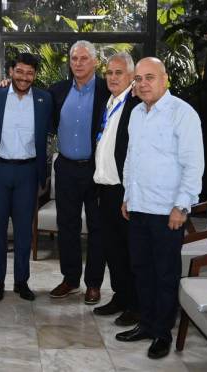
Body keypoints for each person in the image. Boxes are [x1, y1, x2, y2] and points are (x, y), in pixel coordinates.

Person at [116, 57, 204, 359]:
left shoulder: (183, 114)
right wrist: (128, 195)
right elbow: (131, 159)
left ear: (165, 79)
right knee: (141, 270)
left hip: (168, 212)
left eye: (149, 77)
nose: (143, 84)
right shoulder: (136, 114)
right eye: (138, 79)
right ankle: (147, 323)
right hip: (139, 206)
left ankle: (163, 333)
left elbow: (193, 165)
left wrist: (182, 206)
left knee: (165, 273)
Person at [0, 53, 52, 302]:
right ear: (10, 71)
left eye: (29, 73)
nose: (24, 77)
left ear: (34, 75)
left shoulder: (45, 99)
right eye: (19, 72)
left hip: (27, 173)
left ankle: (21, 281)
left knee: (24, 232)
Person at [48, 40, 109, 304]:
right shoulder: (57, 91)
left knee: (98, 228)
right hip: (66, 168)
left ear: (95, 61)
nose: (79, 63)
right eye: (74, 59)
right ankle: (70, 279)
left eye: (84, 59)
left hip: (97, 170)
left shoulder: (108, 90)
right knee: (67, 226)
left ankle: (93, 284)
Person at [92, 52, 140, 326]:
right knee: (112, 249)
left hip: (125, 191)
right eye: (109, 72)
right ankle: (120, 297)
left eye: (118, 72)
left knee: (129, 251)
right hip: (105, 190)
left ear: (131, 77)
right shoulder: (108, 102)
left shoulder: (135, 105)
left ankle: (135, 305)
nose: (112, 77)